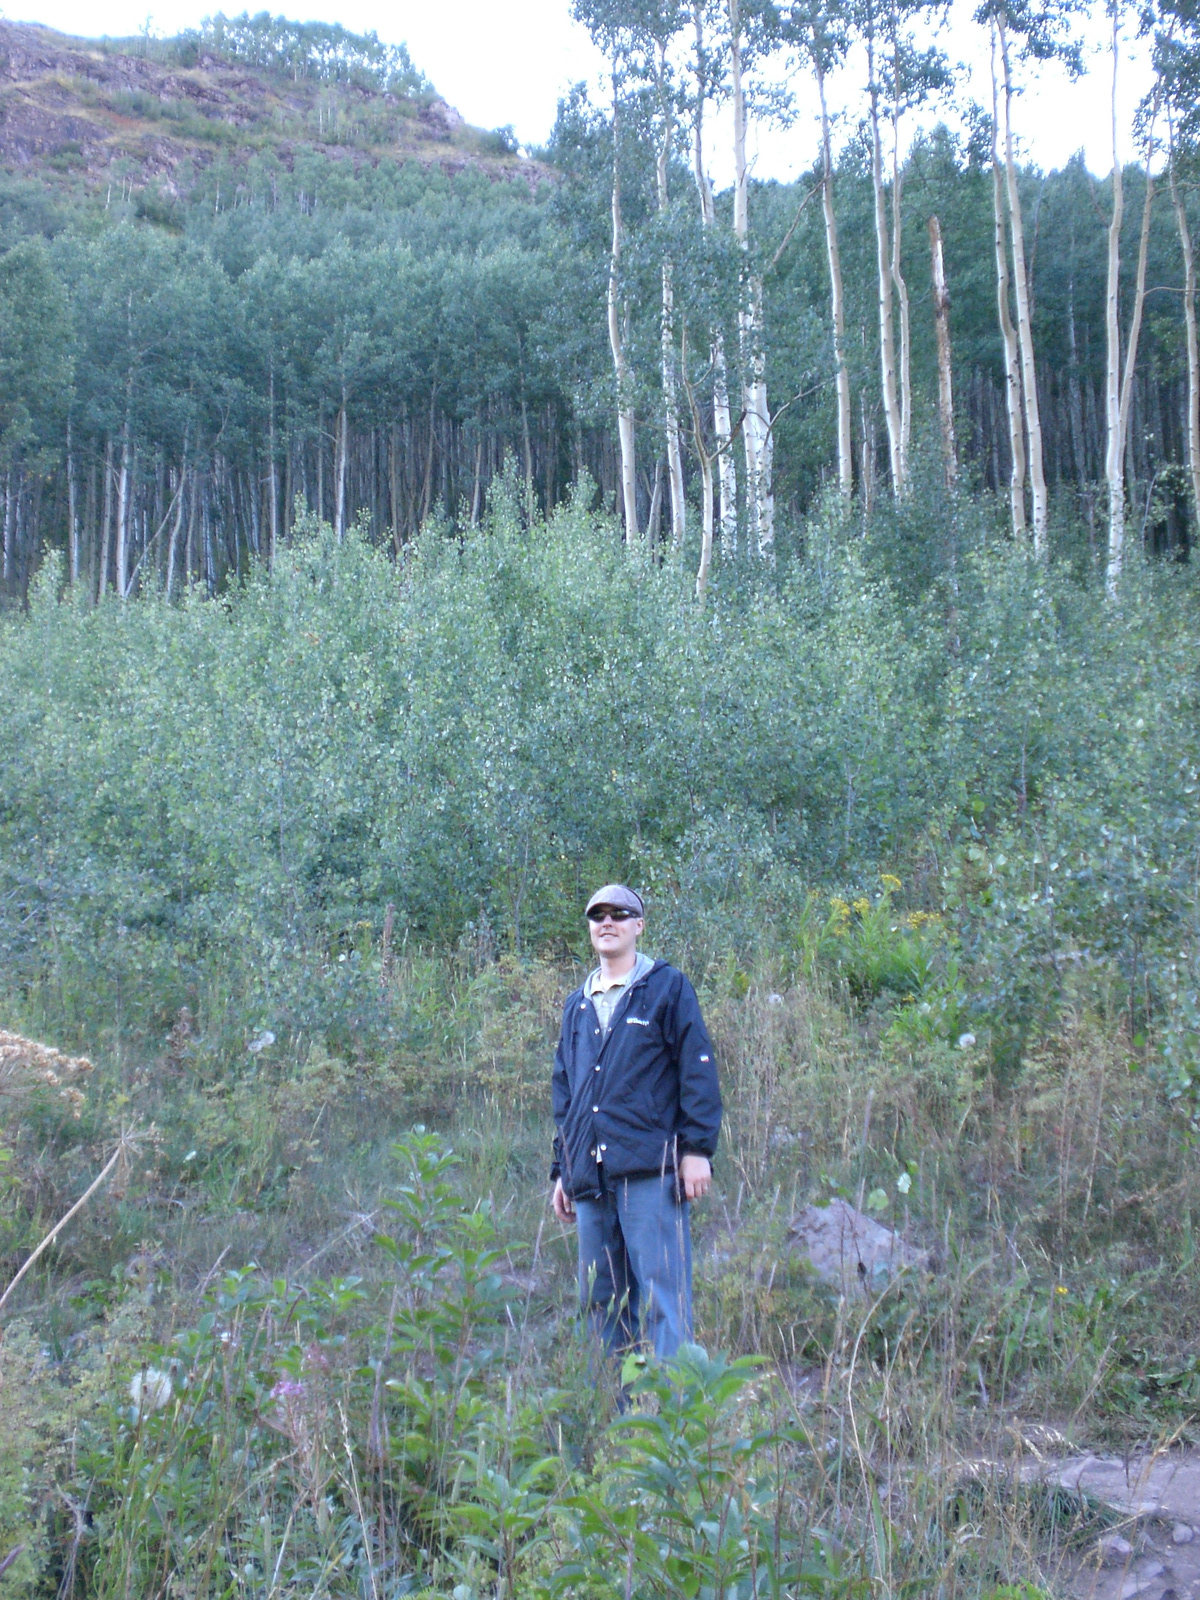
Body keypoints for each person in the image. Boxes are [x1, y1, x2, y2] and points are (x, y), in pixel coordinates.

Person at [550, 884, 721, 1361]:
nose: (608, 922)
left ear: (639, 926)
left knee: (663, 1299)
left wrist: (696, 1150)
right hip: (589, 1178)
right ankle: (614, 1418)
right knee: (599, 1305)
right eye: (598, 914)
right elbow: (566, 1094)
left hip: (651, 1172)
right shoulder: (576, 1005)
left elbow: (698, 1069)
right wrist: (562, 1170)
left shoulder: (666, 988)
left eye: (620, 914)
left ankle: (671, 1420)